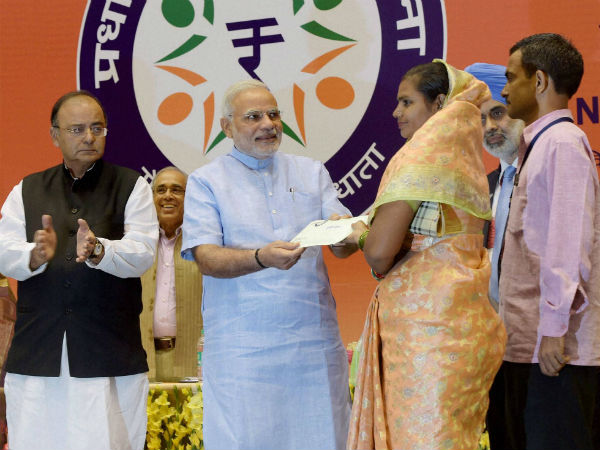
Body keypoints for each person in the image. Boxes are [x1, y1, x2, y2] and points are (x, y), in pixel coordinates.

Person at [181, 79, 358, 450]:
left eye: (274, 114)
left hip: (312, 345)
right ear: (227, 127)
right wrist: (260, 257)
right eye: (253, 117)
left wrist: (347, 232)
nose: (268, 124)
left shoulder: (311, 171)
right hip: (243, 352)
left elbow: (342, 247)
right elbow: (206, 258)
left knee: (323, 437)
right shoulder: (206, 181)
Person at [346, 60, 506, 450]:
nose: (396, 112)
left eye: (407, 102)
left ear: (438, 104)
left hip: (424, 331)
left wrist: (356, 235)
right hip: (468, 322)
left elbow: (379, 253)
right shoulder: (466, 161)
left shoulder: (420, 159)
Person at [0, 90, 158, 450]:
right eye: (77, 129)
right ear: (54, 135)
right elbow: (3, 250)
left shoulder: (131, 186)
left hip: (109, 352)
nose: (89, 137)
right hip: (38, 352)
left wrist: (100, 249)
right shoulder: (26, 189)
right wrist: (34, 256)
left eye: (97, 128)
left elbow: (143, 251)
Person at [498, 33, 600, 450]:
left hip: (557, 352)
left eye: (511, 77)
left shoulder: (562, 144)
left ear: (539, 81)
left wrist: (555, 329)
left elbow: (566, 243)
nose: (504, 90)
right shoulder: (539, 144)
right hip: (531, 345)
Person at [464, 62, 525, 450]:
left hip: (544, 347)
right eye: (481, 119)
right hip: (494, 348)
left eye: (498, 113)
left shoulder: (546, 171)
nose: (490, 127)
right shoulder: (484, 186)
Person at [140, 166, 203, 381]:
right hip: (142, 361)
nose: (168, 196)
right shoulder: (136, 244)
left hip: (192, 361)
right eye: (161, 190)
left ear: (190, 197)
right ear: (151, 198)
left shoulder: (204, 244)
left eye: (176, 190)